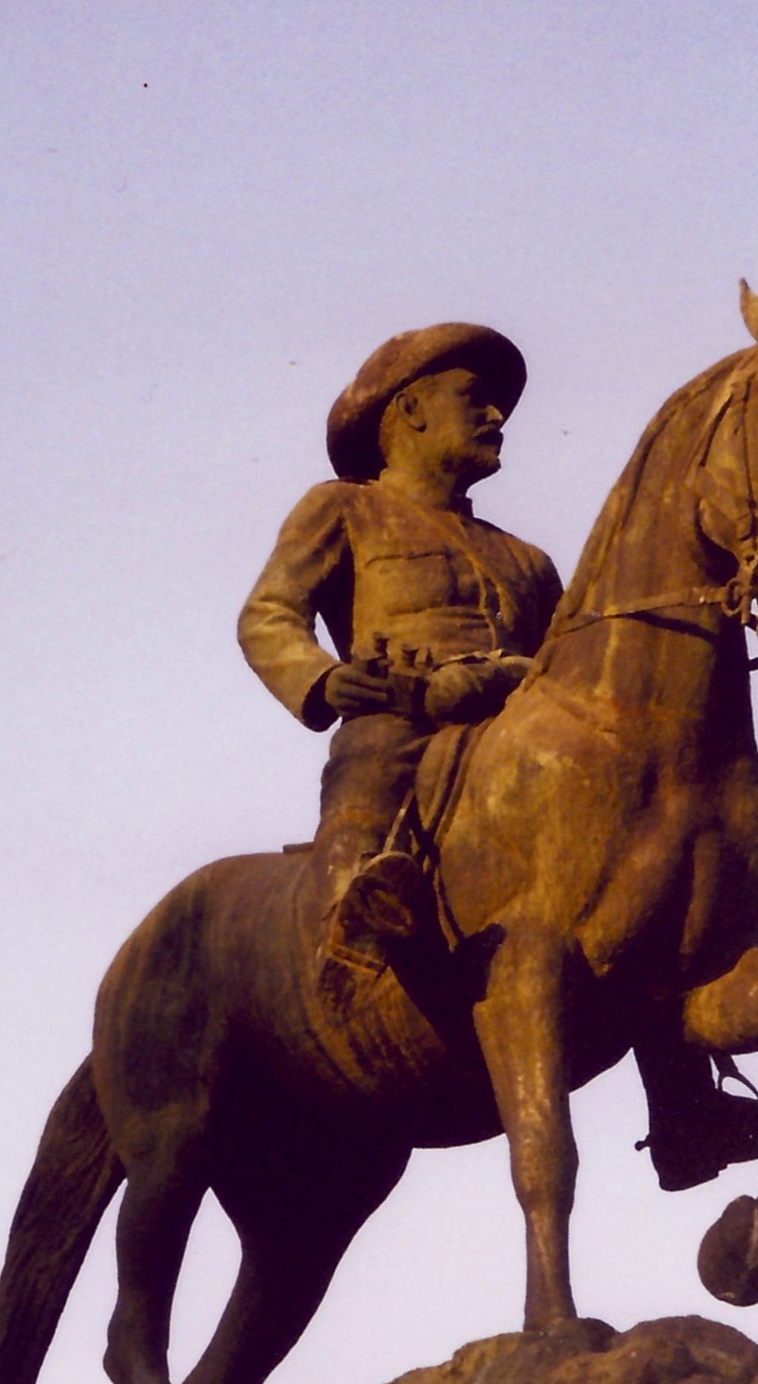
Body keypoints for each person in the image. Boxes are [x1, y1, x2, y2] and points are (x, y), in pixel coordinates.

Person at [239, 323, 563, 1002]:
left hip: (515, 729)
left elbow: (570, 662)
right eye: (474, 397)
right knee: (375, 761)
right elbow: (268, 615)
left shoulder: (529, 560)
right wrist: (325, 678)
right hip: (400, 723)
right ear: (409, 409)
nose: (496, 416)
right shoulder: (345, 508)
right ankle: (350, 923)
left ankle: (686, 1087)